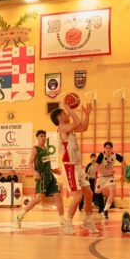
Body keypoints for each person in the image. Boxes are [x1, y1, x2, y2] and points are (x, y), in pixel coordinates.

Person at [50, 98, 98, 234]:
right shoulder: (62, 128)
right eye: (65, 113)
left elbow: (83, 127)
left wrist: (87, 115)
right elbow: (77, 122)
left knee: (89, 193)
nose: (67, 115)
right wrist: (69, 108)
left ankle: (88, 220)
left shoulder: (69, 129)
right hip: (69, 167)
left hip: (77, 166)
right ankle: (67, 222)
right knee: (78, 195)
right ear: (60, 117)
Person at [16, 130, 67, 231]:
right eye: (41, 136)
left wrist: (54, 170)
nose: (43, 138)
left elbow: (46, 164)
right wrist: (35, 172)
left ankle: (62, 221)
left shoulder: (46, 148)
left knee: (58, 196)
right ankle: (20, 215)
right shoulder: (35, 149)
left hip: (50, 176)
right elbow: (29, 164)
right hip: (42, 176)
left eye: (44, 136)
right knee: (39, 198)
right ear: (37, 137)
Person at [95, 141, 124, 219]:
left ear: (112, 149)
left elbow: (124, 163)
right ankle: (101, 207)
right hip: (101, 177)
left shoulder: (115, 156)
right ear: (104, 148)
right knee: (97, 192)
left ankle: (105, 210)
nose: (108, 149)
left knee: (113, 191)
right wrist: (103, 172)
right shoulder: (101, 155)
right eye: (106, 148)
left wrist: (123, 175)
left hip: (110, 177)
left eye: (109, 148)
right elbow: (96, 166)